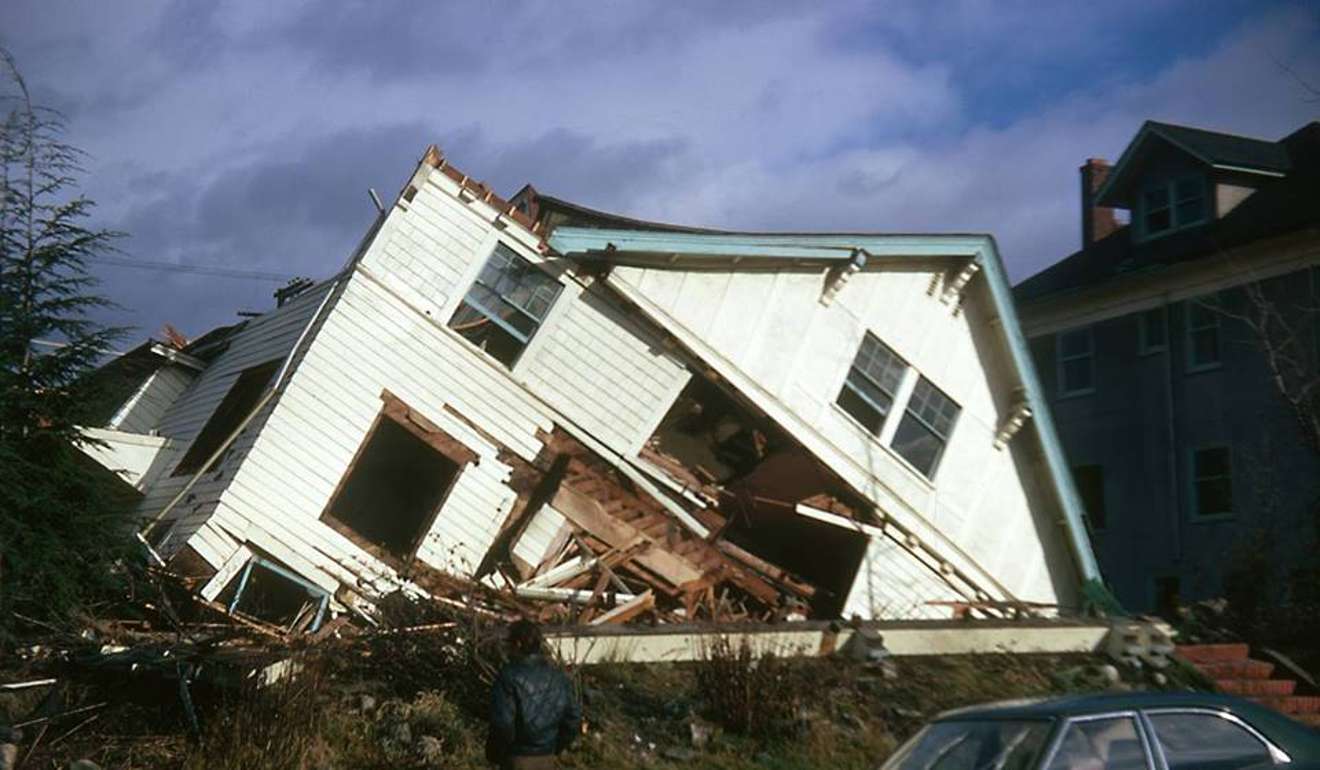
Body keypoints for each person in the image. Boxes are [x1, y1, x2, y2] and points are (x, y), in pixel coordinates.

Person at [488, 619, 582, 770]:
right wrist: (556, 747)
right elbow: (574, 716)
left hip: (517, 758)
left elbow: (503, 725)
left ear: (518, 644)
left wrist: (494, 755)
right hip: (547, 758)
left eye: (509, 644)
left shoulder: (509, 677)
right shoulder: (558, 676)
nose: (507, 649)